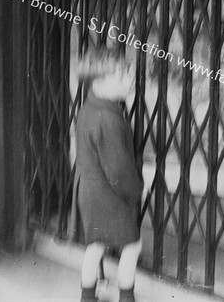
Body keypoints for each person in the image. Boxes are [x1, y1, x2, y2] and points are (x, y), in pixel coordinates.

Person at [70, 49, 144, 302]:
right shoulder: (109, 119)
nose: (130, 79)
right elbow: (120, 171)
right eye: (122, 75)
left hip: (90, 193)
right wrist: (135, 190)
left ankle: (87, 295)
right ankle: (126, 297)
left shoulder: (88, 109)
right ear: (100, 81)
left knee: (96, 245)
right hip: (109, 197)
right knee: (132, 246)